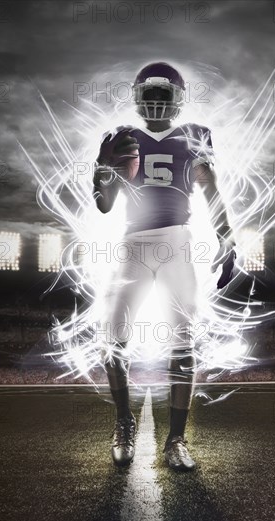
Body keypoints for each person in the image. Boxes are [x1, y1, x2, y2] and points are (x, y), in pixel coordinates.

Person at [93, 62, 235, 471]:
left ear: (177, 98)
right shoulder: (123, 138)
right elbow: (104, 205)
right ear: (139, 98)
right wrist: (101, 170)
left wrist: (228, 237)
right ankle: (123, 423)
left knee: (184, 344)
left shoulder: (195, 136)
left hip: (177, 242)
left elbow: (211, 191)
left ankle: (175, 438)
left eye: (163, 95)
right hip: (132, 244)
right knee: (114, 337)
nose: (155, 103)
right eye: (149, 96)